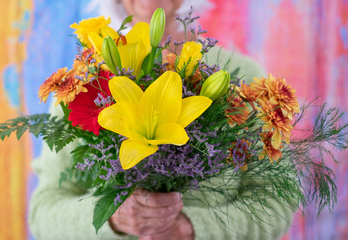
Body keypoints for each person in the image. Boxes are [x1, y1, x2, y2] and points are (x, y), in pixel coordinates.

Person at [29, 0, 296, 239]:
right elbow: (43, 214)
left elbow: (277, 203)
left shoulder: (242, 76)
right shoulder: (85, 84)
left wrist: (191, 228)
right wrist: (112, 216)